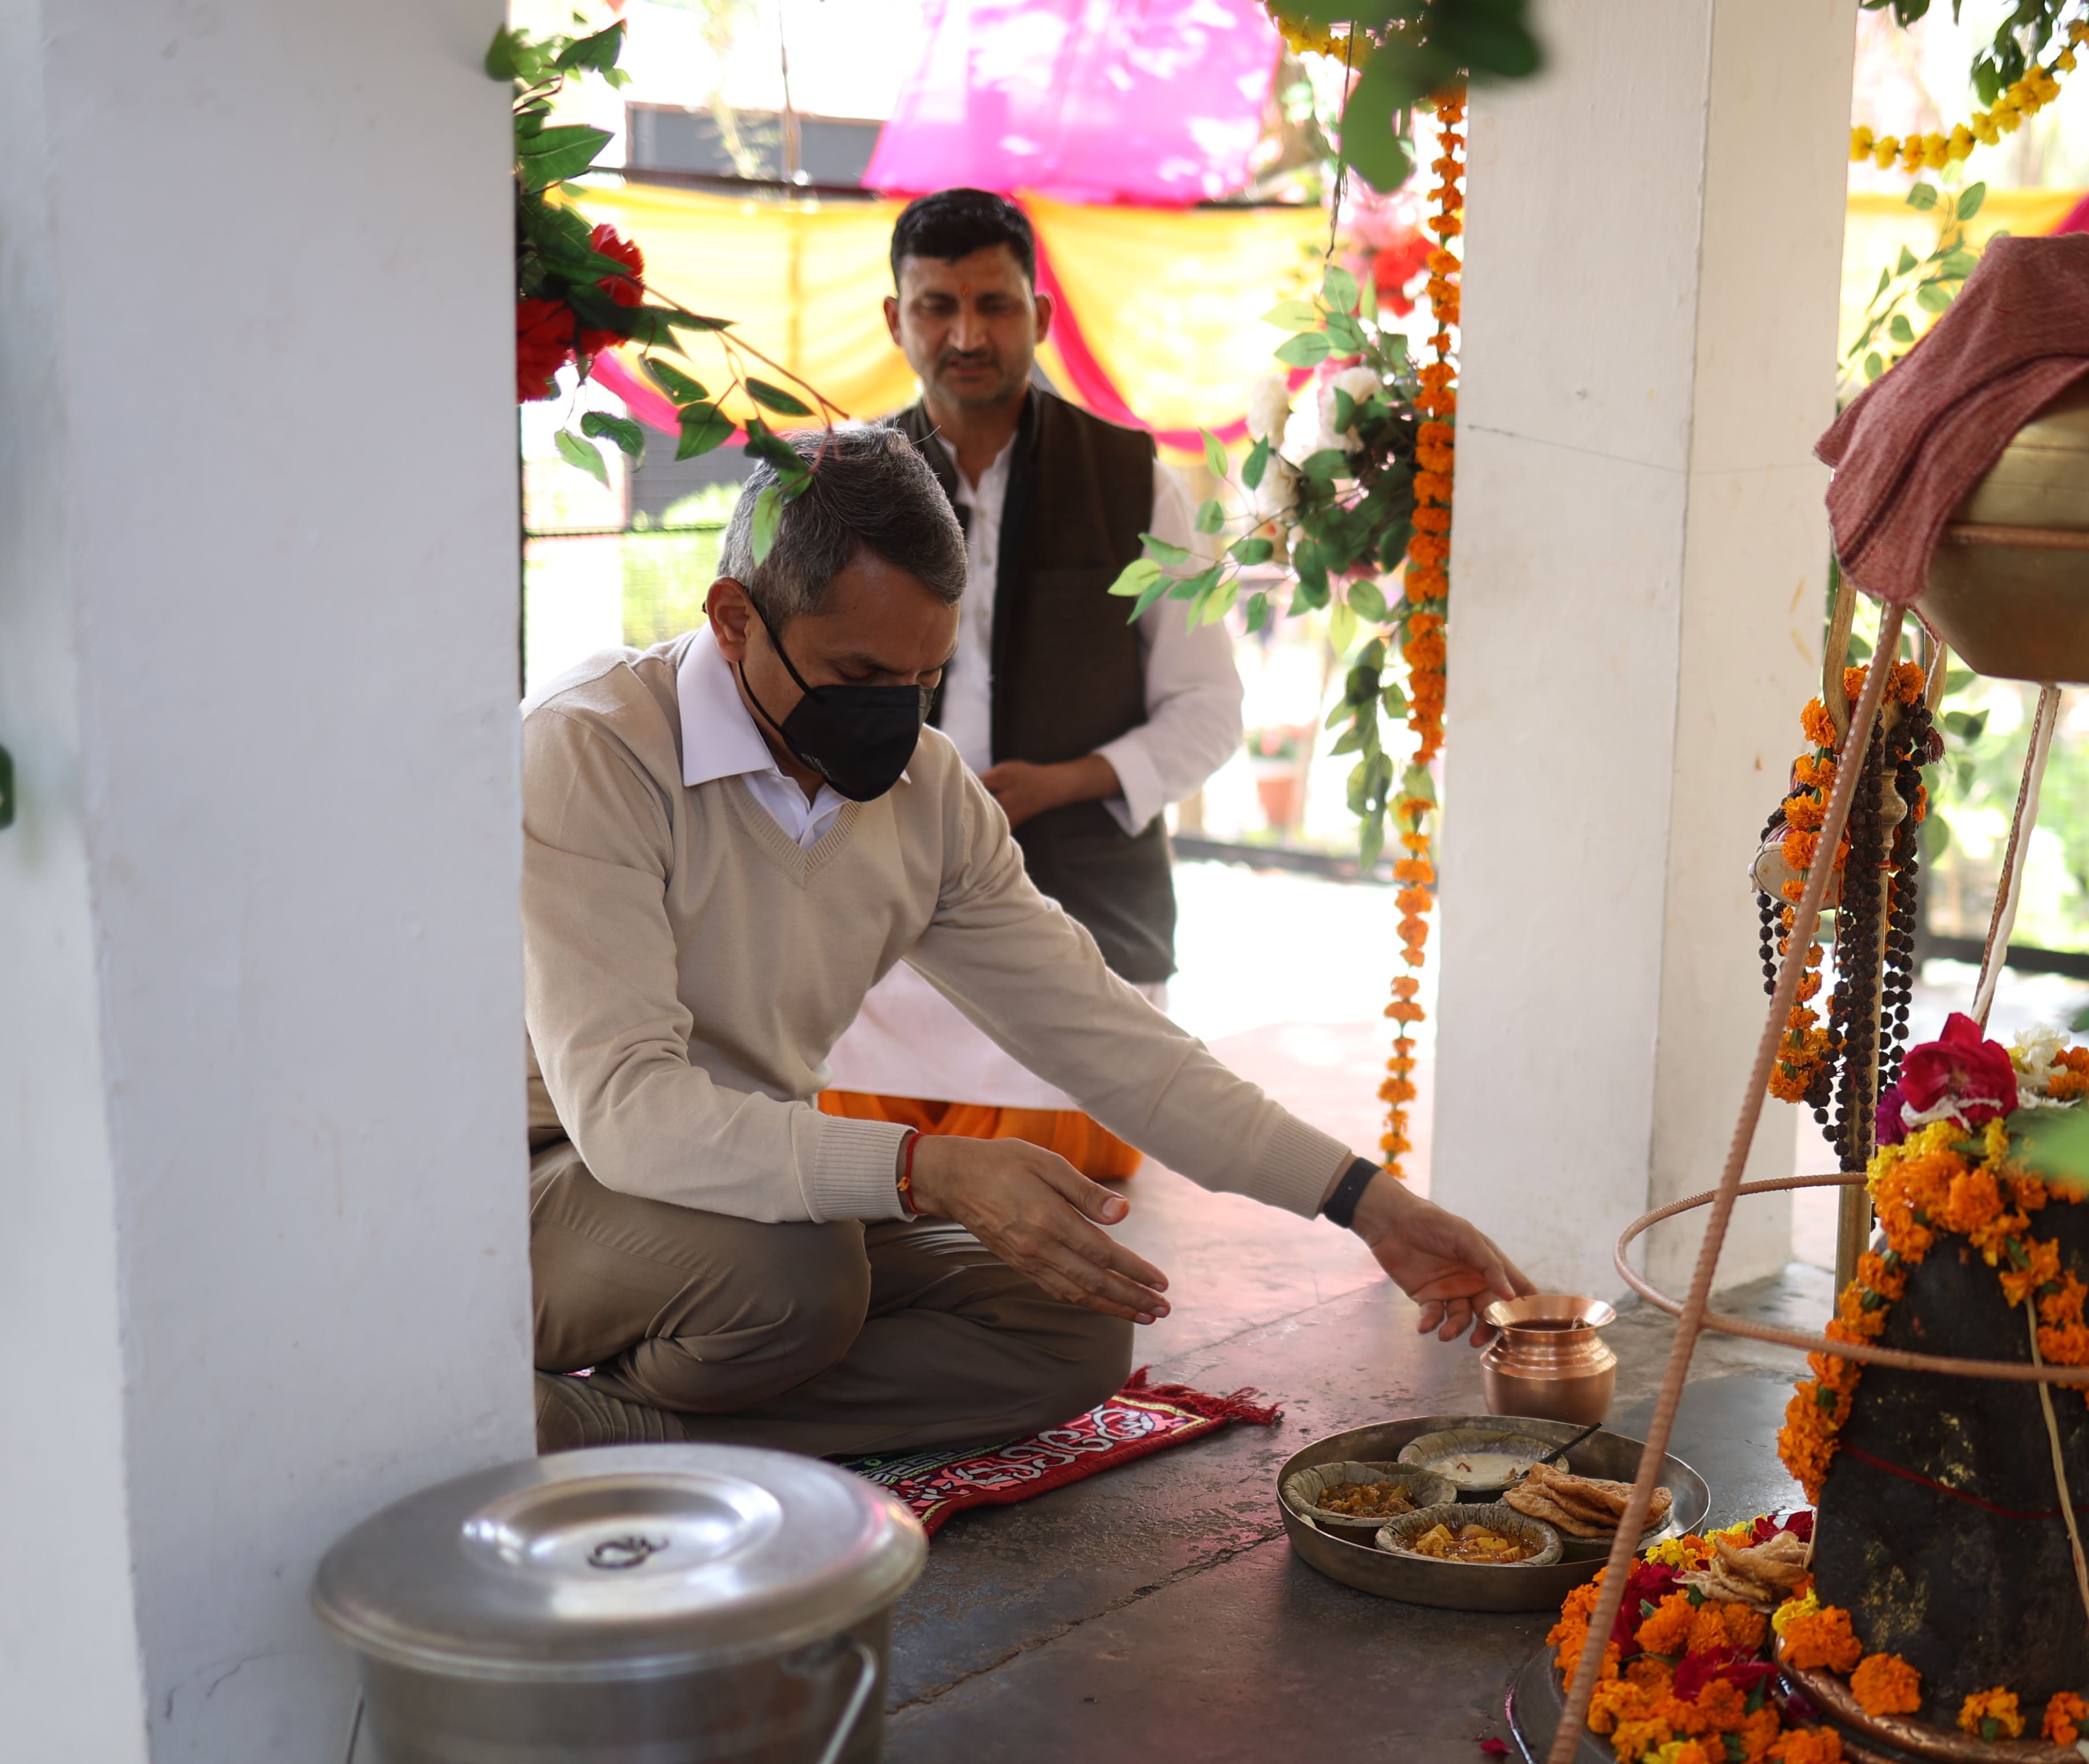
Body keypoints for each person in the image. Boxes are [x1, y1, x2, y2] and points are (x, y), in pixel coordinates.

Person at [522, 425, 1526, 1457]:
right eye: (861, 672)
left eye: (925, 680)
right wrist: (926, 1169)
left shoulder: (927, 791)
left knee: (1079, 1316)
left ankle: (603, 1428)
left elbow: (1105, 1037)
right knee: (794, 1283)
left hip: (763, 1183)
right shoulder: (593, 746)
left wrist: (1365, 1200)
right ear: (735, 621)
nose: (896, 717)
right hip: (547, 1180)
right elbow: (630, 1115)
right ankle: (624, 1413)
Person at [816, 186, 1235, 1180]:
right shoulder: (841, 485)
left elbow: (1209, 713)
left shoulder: (1135, 481)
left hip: (1079, 900)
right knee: (875, 1191)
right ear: (895, 319)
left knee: (1070, 1196)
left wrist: (1063, 781)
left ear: (1040, 316)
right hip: (884, 904)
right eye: (937, 306)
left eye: (996, 305)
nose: (968, 334)